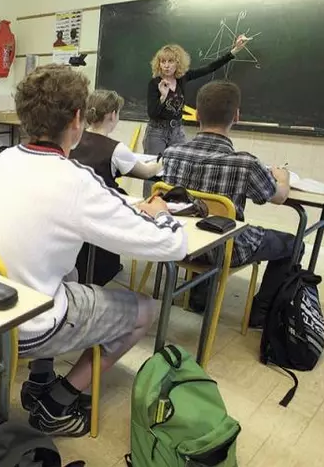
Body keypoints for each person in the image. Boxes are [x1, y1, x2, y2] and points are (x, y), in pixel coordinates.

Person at [0, 65, 187, 436]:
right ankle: (58, 402)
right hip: (28, 325)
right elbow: (172, 244)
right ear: (78, 119)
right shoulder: (73, 180)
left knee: (69, 273)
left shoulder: (1, 161)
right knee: (145, 310)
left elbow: (83, 202)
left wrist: (121, 206)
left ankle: (40, 380)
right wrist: (161, 213)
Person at [161, 80, 295, 324]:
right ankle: (260, 314)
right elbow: (278, 196)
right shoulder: (246, 164)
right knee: (292, 243)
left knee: (205, 221)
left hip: (178, 240)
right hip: (224, 249)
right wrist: (282, 178)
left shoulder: (172, 154)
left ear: (197, 114)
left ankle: (199, 295)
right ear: (237, 116)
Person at [69, 89, 163, 286]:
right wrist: (161, 164)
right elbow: (146, 173)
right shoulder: (116, 148)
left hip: (75, 209)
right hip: (102, 212)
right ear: (112, 115)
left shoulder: (73, 139)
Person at [143, 35, 250, 196]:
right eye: (162, 62)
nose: (166, 66)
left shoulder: (182, 78)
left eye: (170, 61)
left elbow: (210, 68)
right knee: (152, 172)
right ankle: (149, 202)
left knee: (179, 168)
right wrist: (163, 96)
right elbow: (153, 113)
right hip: (157, 131)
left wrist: (234, 51)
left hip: (176, 130)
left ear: (177, 63)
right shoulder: (154, 83)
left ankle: (173, 203)